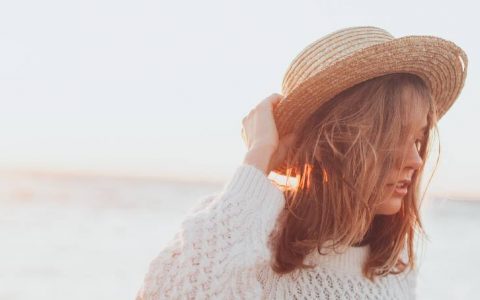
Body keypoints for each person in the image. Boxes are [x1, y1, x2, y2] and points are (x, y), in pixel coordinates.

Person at [135, 26, 468, 299]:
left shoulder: (395, 263)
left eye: (418, 140)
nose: (415, 160)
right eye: (394, 138)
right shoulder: (243, 229)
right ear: (334, 142)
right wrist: (258, 157)